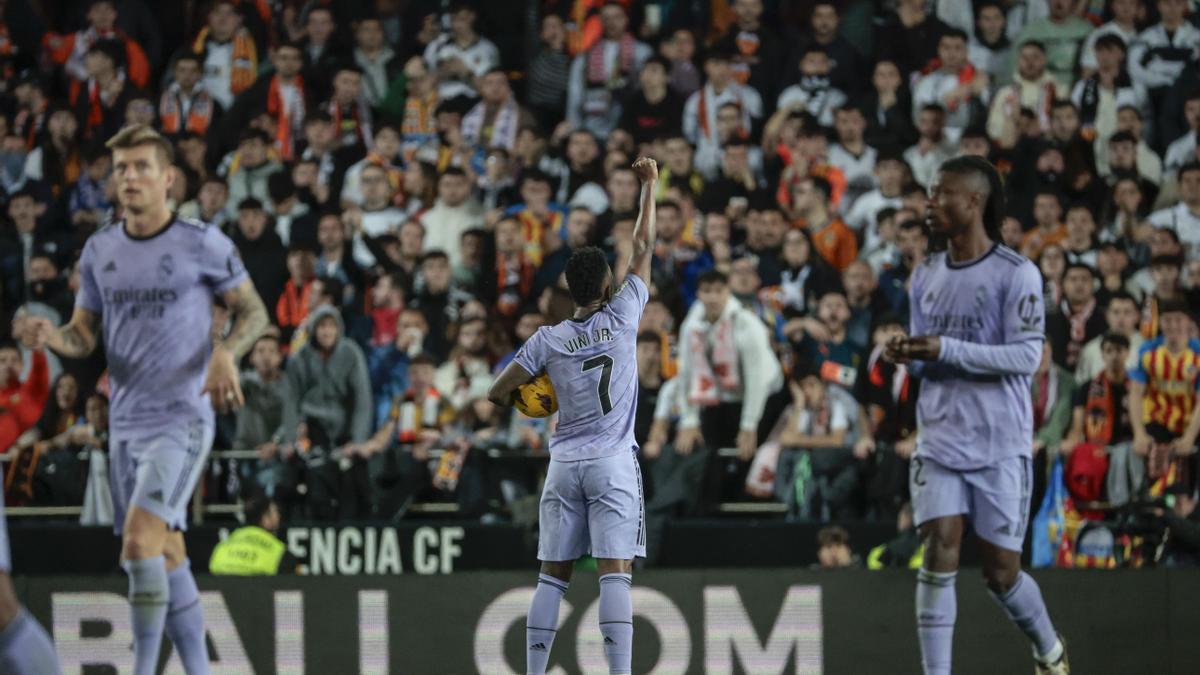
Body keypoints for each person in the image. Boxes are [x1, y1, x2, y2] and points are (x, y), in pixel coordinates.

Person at [30, 125, 269, 675]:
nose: (130, 177)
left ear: (168, 178)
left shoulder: (202, 242)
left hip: (183, 418)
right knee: (166, 551)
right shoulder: (99, 250)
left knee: (138, 544)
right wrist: (51, 337)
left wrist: (226, 352)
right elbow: (84, 336)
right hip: (127, 421)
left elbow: (255, 312)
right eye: (121, 168)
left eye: (141, 167)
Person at [885, 155, 1067, 674]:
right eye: (929, 193)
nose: (930, 204)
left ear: (974, 202)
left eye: (941, 194)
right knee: (940, 544)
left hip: (1000, 443)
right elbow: (930, 360)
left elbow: (1026, 357)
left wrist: (945, 348)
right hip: (940, 439)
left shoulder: (1018, 274)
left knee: (1001, 574)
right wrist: (908, 357)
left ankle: (1049, 650)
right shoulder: (925, 274)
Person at [487, 157, 659, 675]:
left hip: (563, 465)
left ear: (568, 289)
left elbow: (498, 392)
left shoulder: (548, 339)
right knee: (615, 575)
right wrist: (649, 184)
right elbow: (645, 246)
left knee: (551, 578)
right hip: (612, 462)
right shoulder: (625, 313)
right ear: (607, 286)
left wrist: (541, 400)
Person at [208, 493, 288, 575]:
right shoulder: (279, 552)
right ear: (265, 519)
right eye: (275, 511)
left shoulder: (223, 546)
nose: (278, 516)